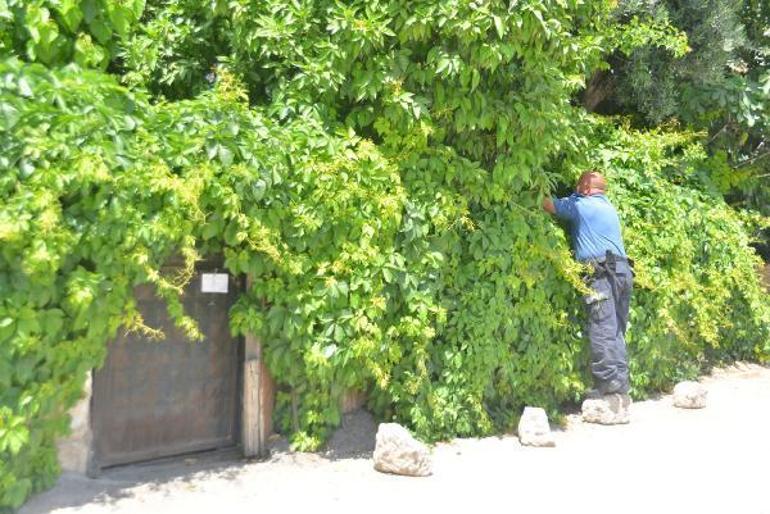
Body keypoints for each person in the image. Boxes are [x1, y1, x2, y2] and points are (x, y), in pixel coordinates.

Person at [543, 171, 633, 398]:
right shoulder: (609, 208)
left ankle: (606, 383)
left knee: (602, 326)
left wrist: (537, 185)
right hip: (623, 271)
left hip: (601, 273)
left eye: (576, 186)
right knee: (616, 330)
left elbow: (547, 204)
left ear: (584, 188)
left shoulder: (581, 205)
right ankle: (620, 382)